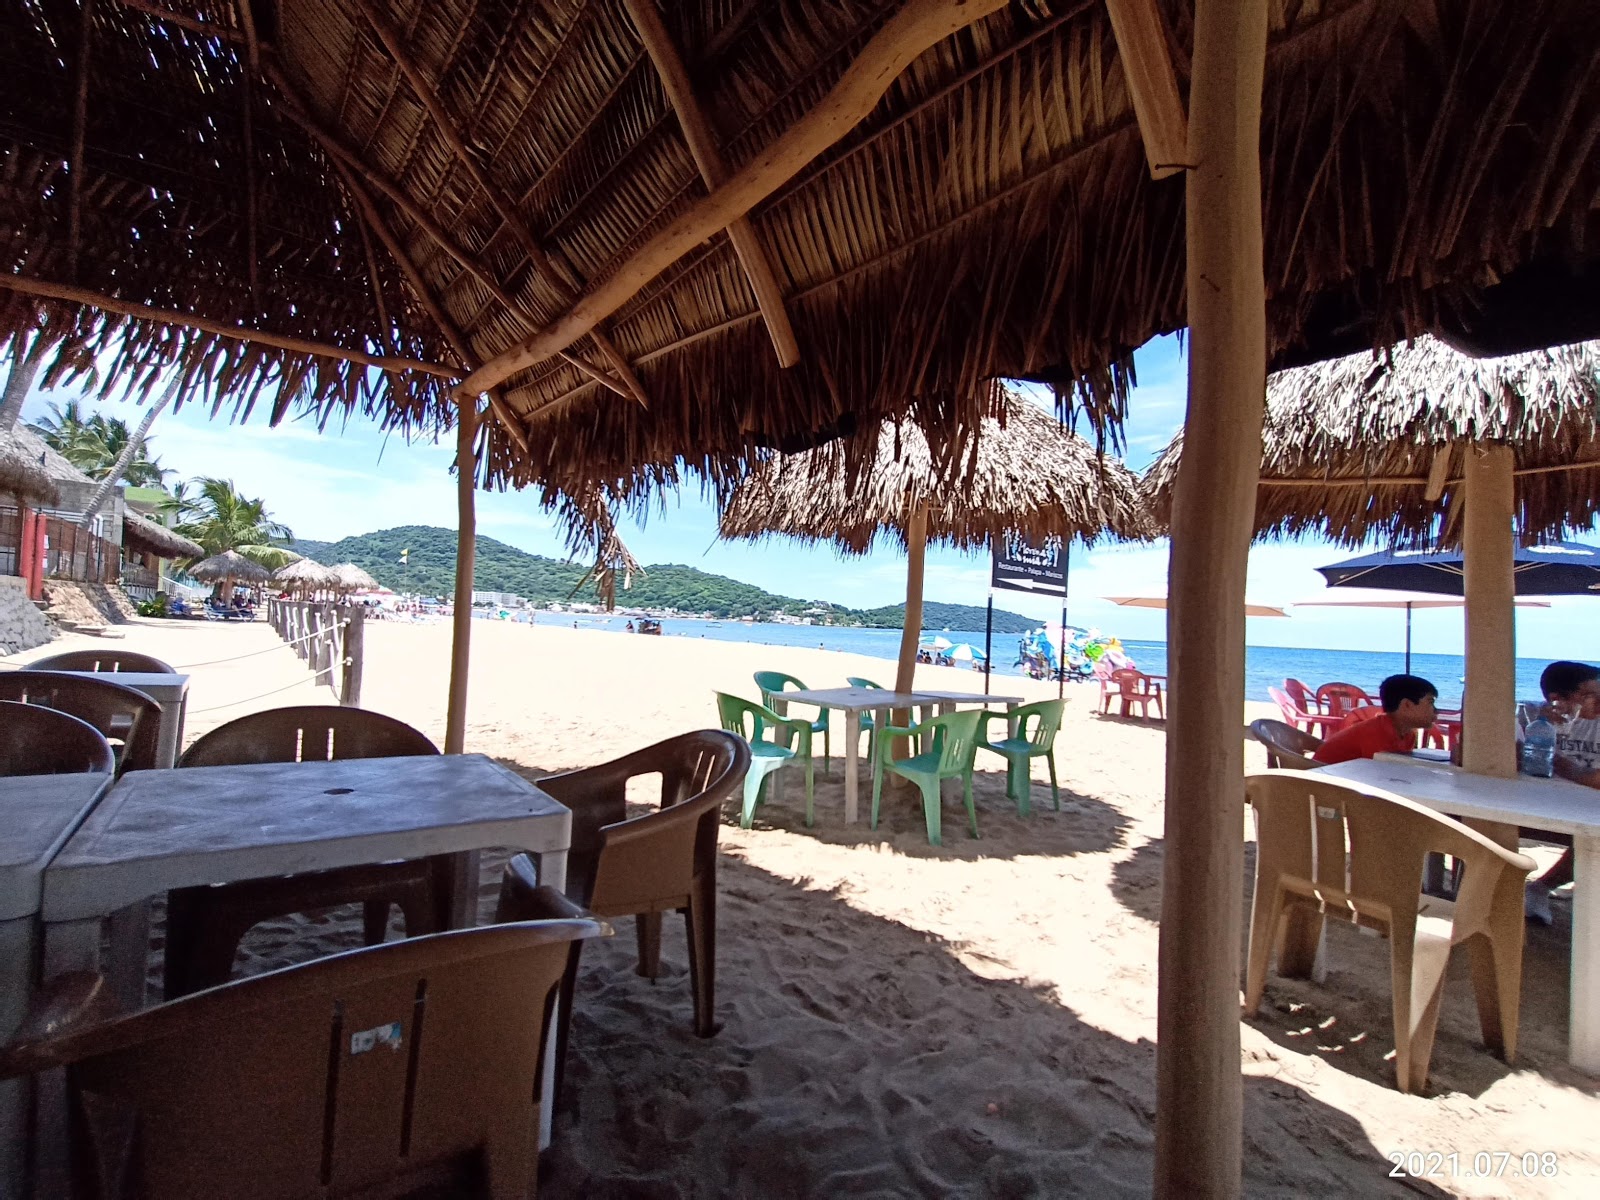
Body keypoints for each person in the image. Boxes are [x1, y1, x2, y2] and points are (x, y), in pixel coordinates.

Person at [1522, 661, 1600, 924]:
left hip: (1586, 811)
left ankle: (1541, 887)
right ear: (1557, 699)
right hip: (1526, 806)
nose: (1599, 701)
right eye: (1590, 695)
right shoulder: (1528, 716)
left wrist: (1559, 763)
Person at [1311, 674, 1438, 765]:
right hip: (1325, 787)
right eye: (1430, 702)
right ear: (1407, 705)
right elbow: (1376, 775)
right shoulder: (1374, 734)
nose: (1436, 710)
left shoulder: (1407, 733)